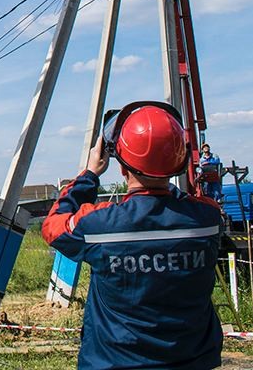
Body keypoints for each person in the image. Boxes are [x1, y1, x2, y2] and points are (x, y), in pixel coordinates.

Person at [43, 101, 223, 370]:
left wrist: (90, 175)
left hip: (113, 362)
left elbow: (52, 227)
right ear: (181, 159)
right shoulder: (208, 219)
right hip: (193, 361)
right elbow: (187, 205)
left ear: (122, 166)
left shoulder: (100, 225)